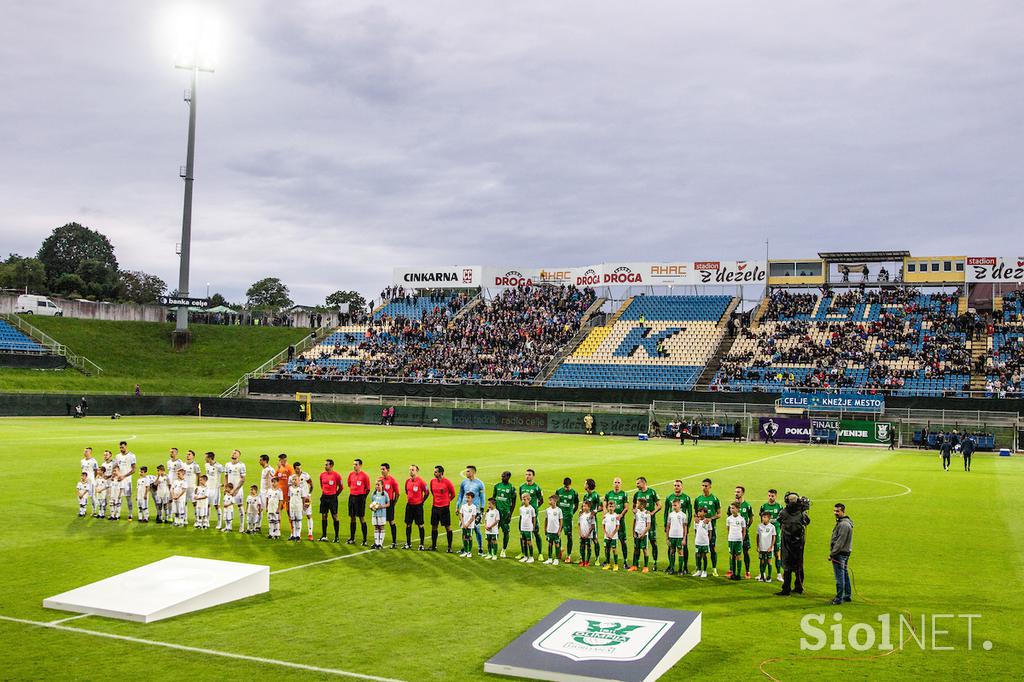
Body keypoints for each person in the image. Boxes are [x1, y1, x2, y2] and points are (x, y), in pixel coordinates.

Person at [776, 493, 811, 596]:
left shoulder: (783, 512)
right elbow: (807, 521)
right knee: (799, 565)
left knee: (787, 566)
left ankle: (786, 589)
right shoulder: (802, 513)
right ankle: (798, 587)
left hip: (787, 542)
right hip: (799, 543)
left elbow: (779, 520)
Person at [694, 478, 722, 576]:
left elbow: (719, 514)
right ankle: (698, 569)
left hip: (711, 528)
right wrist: (696, 518)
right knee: (698, 549)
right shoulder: (698, 499)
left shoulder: (714, 499)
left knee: (712, 547)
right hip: (700, 529)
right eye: (703, 485)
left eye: (706, 486)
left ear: (710, 487)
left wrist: (711, 518)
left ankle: (714, 569)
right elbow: (695, 513)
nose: (704, 487)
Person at [664, 479, 692, 574]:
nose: (676, 487)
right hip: (672, 529)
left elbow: (690, 513)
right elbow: (666, 512)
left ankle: (684, 567)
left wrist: (688, 527)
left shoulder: (686, 498)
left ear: (682, 487)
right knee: (671, 548)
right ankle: (671, 566)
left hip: (681, 529)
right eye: (675, 485)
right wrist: (665, 525)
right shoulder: (669, 497)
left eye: (678, 485)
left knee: (684, 548)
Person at [633, 477, 661, 570]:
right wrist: (636, 511)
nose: (636, 485)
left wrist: (652, 513)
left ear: (643, 483)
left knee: (653, 542)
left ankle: (655, 563)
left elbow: (659, 505)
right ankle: (637, 564)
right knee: (637, 544)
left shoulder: (652, 492)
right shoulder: (637, 494)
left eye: (638, 483)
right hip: (639, 523)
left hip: (650, 522)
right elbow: (633, 507)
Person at [457, 466, 486, 557]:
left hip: (475, 509)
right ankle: (465, 548)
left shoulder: (479, 483)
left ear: (473, 472)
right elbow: (461, 495)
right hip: (465, 509)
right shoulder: (464, 482)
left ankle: (480, 548)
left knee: (476, 529)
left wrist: (482, 509)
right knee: (464, 529)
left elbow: (482, 497)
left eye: (468, 471)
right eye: (466, 471)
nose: (466, 473)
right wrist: (458, 506)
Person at [829, 503, 854, 605]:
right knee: (845, 574)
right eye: (834, 511)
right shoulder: (845, 522)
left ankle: (839, 598)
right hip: (845, 552)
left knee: (840, 577)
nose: (835, 513)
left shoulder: (844, 525)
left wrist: (832, 553)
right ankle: (847, 595)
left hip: (840, 553)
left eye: (837, 511)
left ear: (843, 511)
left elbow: (840, 542)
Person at [429, 465, 456, 552]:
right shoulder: (432, 481)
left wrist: (447, 501)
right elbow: (432, 492)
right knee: (434, 526)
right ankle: (433, 546)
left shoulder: (447, 482)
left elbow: (453, 494)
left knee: (447, 527)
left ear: (440, 473)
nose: (434, 473)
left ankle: (449, 547)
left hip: (444, 508)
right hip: (435, 507)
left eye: (436, 472)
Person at [604, 477, 629, 569]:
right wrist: (605, 514)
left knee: (623, 541)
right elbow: (604, 505)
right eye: (615, 482)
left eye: (618, 482)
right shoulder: (608, 494)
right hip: (610, 522)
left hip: (620, 522)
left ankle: (625, 561)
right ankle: (607, 561)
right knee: (608, 540)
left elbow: (626, 507)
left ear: (621, 484)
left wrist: (621, 515)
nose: (617, 484)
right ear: (613, 483)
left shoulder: (624, 494)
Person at [759, 489, 784, 581]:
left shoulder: (779, 507)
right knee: (763, 554)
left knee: (777, 554)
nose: (770, 497)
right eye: (769, 495)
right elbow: (761, 519)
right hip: (765, 535)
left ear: (776, 496)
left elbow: (782, 520)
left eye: (772, 496)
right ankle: (762, 573)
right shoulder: (763, 506)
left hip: (776, 534)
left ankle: (778, 574)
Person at [519, 469, 544, 560]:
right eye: (526, 474)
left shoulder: (537, 488)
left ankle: (540, 553)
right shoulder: (522, 487)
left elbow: (541, 500)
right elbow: (521, 498)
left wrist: (534, 508)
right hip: (524, 514)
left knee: (536, 533)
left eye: (529, 474)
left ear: (533, 476)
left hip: (533, 515)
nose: (527, 476)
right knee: (522, 534)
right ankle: (523, 553)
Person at [403, 464, 429, 550]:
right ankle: (408, 543)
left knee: (420, 525)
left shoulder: (421, 481)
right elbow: (407, 491)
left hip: (418, 506)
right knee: (408, 524)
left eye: (412, 470)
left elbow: (427, 492)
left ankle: (421, 544)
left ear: (417, 471)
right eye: (410, 469)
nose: (411, 471)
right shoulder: (407, 481)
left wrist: (421, 501)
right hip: (409, 505)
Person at [492, 471, 517, 557]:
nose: (502, 477)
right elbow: (493, 499)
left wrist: (510, 514)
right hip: (497, 513)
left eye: (504, 476)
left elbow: (514, 502)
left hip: (505, 513)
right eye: (502, 476)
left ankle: (503, 550)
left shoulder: (512, 488)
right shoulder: (497, 486)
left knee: (506, 532)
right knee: (493, 531)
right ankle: (493, 549)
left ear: (508, 477)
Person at [346, 458, 371, 545]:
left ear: (360, 465)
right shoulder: (351, 474)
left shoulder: (364, 476)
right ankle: (352, 538)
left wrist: (363, 497)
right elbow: (349, 484)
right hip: (352, 497)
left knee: (361, 518)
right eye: (353, 464)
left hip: (360, 498)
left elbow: (368, 489)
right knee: (352, 517)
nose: (354, 466)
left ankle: (365, 540)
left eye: (356, 464)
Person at [319, 459, 343, 543]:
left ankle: (336, 537)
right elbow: (322, 485)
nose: (325, 466)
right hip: (324, 497)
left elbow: (341, 487)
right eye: (325, 464)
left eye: (326, 465)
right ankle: (324, 535)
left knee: (334, 516)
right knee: (324, 515)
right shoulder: (322, 475)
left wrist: (335, 495)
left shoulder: (337, 475)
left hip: (333, 497)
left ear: (331, 465)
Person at [556, 477, 579, 563]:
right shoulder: (558, 491)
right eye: (565, 487)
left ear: (570, 485)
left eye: (568, 487)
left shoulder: (574, 493)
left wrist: (572, 513)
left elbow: (576, 504)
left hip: (568, 518)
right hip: (559, 517)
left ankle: (568, 555)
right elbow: (556, 501)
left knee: (569, 536)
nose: (566, 489)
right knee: (557, 534)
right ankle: (560, 548)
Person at [734, 486, 754, 579]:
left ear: (742, 493)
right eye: (735, 492)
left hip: (745, 534)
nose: (736, 493)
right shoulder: (732, 505)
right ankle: (732, 570)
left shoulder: (747, 506)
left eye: (738, 492)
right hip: (734, 534)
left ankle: (747, 571)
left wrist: (746, 528)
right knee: (734, 553)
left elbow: (751, 519)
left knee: (745, 552)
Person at [379, 463, 400, 548]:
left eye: (383, 469)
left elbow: (397, 494)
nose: (382, 471)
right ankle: (379, 542)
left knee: (391, 521)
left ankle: (394, 542)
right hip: (381, 503)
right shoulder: (379, 480)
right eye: (381, 469)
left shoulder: (392, 480)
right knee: (380, 523)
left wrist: (393, 503)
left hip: (389, 503)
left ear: (388, 470)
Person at [224, 450, 247, 525]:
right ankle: (228, 527)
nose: (233, 454)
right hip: (229, 490)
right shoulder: (227, 464)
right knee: (228, 507)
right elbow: (226, 476)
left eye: (235, 453)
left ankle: (242, 526)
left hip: (238, 490)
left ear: (238, 456)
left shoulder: (241, 465)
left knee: (240, 506)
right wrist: (225, 488)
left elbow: (243, 479)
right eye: (232, 453)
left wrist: (236, 490)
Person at [116, 441, 137, 521]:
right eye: (120, 447)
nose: (121, 449)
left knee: (128, 498)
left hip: (127, 481)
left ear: (126, 446)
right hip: (119, 480)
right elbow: (117, 467)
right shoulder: (118, 456)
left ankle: (130, 513)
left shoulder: (132, 456)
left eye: (122, 447)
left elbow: (134, 469)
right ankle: (117, 514)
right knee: (118, 497)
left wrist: (124, 476)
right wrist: (118, 475)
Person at [665, 498, 688, 575]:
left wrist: (684, 538)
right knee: (672, 551)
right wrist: (667, 538)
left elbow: (685, 527)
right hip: (672, 536)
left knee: (680, 551)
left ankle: (680, 570)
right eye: (672, 505)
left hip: (680, 536)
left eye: (675, 505)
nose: (674, 507)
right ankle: (671, 568)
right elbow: (668, 526)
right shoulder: (670, 514)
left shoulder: (683, 515)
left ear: (679, 505)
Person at [725, 502, 746, 581]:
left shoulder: (741, 519)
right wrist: (730, 536)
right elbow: (728, 529)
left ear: (737, 509)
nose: (731, 510)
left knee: (738, 556)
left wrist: (742, 539)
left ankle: (738, 574)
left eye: (733, 508)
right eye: (731, 508)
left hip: (738, 540)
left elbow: (744, 531)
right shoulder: (729, 519)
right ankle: (733, 573)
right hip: (731, 539)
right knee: (731, 555)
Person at [630, 498, 651, 573]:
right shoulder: (636, 512)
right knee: (636, 549)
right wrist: (633, 532)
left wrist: (643, 533)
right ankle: (634, 565)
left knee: (645, 550)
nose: (636, 505)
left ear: (642, 505)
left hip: (644, 535)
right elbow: (634, 522)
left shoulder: (647, 514)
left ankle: (645, 567)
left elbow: (648, 526)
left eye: (637, 503)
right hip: (636, 533)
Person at [294, 462, 314, 541]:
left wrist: (309, 494)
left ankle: (310, 534)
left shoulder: (305, 475)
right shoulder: (293, 477)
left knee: (308, 515)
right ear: (295, 469)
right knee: (298, 517)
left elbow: (311, 485)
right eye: (298, 468)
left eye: (300, 468)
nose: (299, 470)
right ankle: (298, 534)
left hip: (306, 499)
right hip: (298, 500)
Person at [756, 511, 777, 582]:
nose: (763, 518)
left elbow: (774, 537)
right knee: (762, 562)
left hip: (769, 548)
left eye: (765, 517)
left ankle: (769, 577)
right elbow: (757, 537)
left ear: (769, 518)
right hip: (762, 547)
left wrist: (771, 547)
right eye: (762, 517)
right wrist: (758, 546)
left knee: (769, 562)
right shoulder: (759, 526)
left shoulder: (772, 527)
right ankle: (762, 576)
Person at [206, 451, 225, 529]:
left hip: (215, 489)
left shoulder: (219, 466)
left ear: (210, 458)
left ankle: (219, 523)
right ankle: (206, 522)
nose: (205, 458)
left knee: (216, 506)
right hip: (207, 488)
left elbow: (226, 473)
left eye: (206, 457)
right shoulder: (206, 465)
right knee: (207, 505)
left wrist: (223, 484)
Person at [601, 500, 621, 571]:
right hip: (606, 536)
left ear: (615, 507)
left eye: (612, 506)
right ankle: (608, 564)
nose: (611, 508)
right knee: (607, 550)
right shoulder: (605, 516)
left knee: (614, 550)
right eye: (609, 506)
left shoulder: (616, 516)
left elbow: (617, 527)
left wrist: (612, 534)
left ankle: (616, 564)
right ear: (607, 507)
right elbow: (603, 525)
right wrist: (606, 534)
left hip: (614, 537)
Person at [543, 494, 563, 566]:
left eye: (550, 500)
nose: (549, 501)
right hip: (549, 530)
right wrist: (545, 528)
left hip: (556, 531)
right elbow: (546, 520)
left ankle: (556, 559)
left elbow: (561, 520)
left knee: (557, 544)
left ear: (555, 501)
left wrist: (559, 530)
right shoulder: (547, 510)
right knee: (550, 544)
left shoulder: (559, 510)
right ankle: (549, 558)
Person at [370, 479, 390, 550]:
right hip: (375, 514)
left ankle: (380, 544)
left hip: (382, 514)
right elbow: (372, 503)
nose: (377, 486)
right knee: (376, 527)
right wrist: (372, 507)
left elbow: (388, 504)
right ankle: (376, 543)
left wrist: (381, 506)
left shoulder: (385, 494)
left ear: (382, 485)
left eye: (378, 485)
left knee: (381, 527)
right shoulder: (373, 493)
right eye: (376, 485)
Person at [458, 491, 478, 557]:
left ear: (472, 498)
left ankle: (469, 552)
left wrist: (467, 524)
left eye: (468, 497)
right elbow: (460, 514)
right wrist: (463, 523)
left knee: (469, 537)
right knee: (464, 538)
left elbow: (473, 517)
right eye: (466, 497)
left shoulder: (474, 507)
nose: (467, 499)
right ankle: (465, 551)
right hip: (464, 525)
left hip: (470, 526)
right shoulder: (463, 506)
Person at [183, 450, 201, 525]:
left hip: (192, 487)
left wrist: (198, 487)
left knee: (195, 503)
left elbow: (199, 476)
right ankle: (185, 519)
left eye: (189, 454)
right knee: (184, 503)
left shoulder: (195, 466)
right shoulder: (183, 465)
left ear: (193, 456)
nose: (187, 456)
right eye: (187, 454)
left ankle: (197, 520)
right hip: (184, 487)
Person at [518, 493, 537, 564]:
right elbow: (521, 518)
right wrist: (520, 526)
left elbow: (534, 518)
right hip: (523, 527)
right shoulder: (521, 508)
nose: (523, 500)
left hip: (529, 528)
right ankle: (525, 556)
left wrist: (533, 527)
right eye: (523, 499)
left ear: (528, 500)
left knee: (529, 542)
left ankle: (531, 557)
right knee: (523, 542)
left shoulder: (531, 509)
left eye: (525, 499)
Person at [258, 455, 275, 532]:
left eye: (260, 460)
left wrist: (269, 492)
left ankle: (271, 529)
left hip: (266, 493)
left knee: (268, 510)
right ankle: (258, 526)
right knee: (259, 509)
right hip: (262, 492)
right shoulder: (264, 469)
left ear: (265, 461)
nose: (259, 461)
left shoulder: (270, 470)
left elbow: (274, 480)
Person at [80, 447, 99, 516]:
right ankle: (83, 511)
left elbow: (96, 471)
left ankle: (94, 511)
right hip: (84, 481)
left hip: (91, 482)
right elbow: (82, 471)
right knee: (83, 496)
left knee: (92, 496)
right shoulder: (82, 461)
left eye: (86, 451)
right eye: (84, 451)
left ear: (90, 452)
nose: (84, 453)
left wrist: (93, 479)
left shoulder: (94, 461)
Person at [693, 508, 711, 578]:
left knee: (704, 556)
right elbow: (695, 531)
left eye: (701, 511)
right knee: (698, 556)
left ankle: (704, 571)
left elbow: (710, 532)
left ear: (705, 513)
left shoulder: (708, 522)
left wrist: (708, 541)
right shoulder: (696, 521)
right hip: (698, 542)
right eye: (698, 511)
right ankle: (699, 570)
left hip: (705, 542)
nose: (699, 513)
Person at [578, 500, 596, 567]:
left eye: (585, 506)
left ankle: (587, 562)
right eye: (583, 506)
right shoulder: (581, 515)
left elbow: (592, 526)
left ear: (589, 507)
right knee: (582, 547)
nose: (584, 507)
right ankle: (582, 561)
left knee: (588, 548)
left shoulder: (591, 515)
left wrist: (588, 534)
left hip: (588, 535)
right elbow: (579, 524)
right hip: (582, 535)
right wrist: (580, 533)